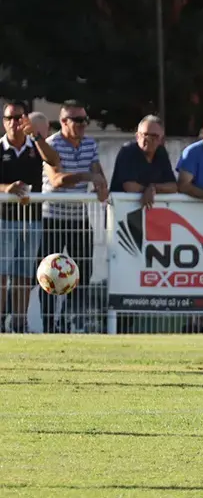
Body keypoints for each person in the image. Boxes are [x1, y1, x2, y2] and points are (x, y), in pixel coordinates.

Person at [40, 101, 109, 334]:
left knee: (81, 274)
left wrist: (101, 185)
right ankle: (50, 326)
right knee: (49, 275)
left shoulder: (90, 143)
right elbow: (57, 179)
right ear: (63, 122)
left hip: (79, 218)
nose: (83, 125)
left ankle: (74, 324)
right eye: (77, 120)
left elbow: (97, 171)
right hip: (52, 218)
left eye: (85, 120)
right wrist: (86, 176)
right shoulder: (51, 144)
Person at [0, 102, 60, 333]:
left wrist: (36, 137)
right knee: (2, 275)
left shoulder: (35, 146)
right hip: (4, 220)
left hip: (31, 219)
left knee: (24, 276)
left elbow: (54, 161)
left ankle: (19, 323)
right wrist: (7, 188)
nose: (14, 122)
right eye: (9, 117)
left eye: (18, 117)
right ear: (4, 121)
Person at [110, 115, 178, 207]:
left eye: (154, 136)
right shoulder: (128, 151)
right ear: (137, 136)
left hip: (150, 212)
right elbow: (129, 186)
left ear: (161, 140)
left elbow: (173, 187)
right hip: (122, 211)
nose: (149, 139)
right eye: (145, 135)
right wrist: (149, 189)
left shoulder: (161, 152)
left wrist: (153, 188)